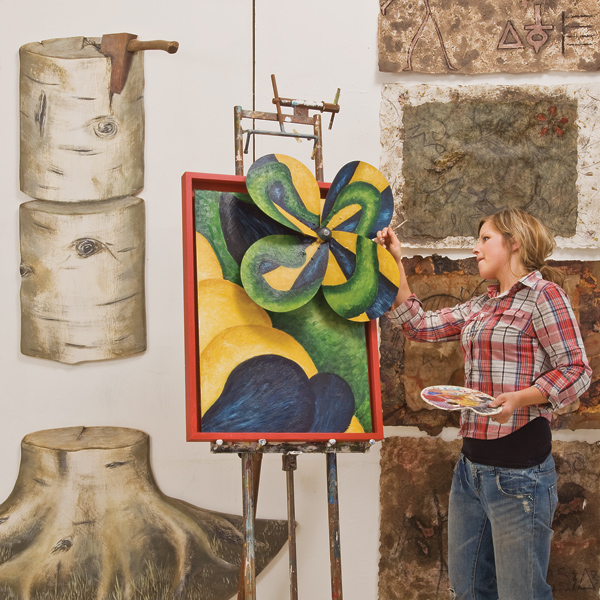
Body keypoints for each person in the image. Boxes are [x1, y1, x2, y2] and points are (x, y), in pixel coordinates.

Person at [376, 208, 591, 600]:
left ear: (515, 243)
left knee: (520, 594)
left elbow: (577, 370)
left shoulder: (545, 296)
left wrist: (520, 399)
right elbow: (419, 324)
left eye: (485, 239)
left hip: (520, 475)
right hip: (470, 471)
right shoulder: (483, 304)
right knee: (469, 591)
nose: (476, 249)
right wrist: (396, 260)